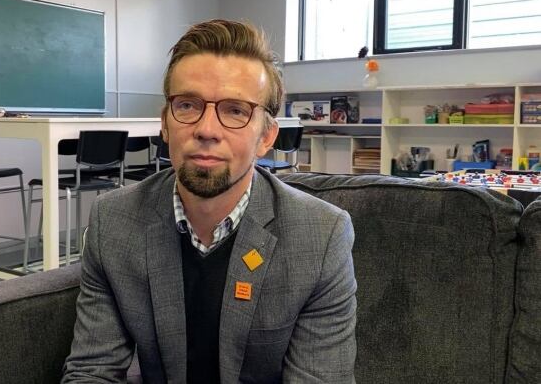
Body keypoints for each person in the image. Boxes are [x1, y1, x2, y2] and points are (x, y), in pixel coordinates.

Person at [62, 19, 357, 383]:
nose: (206, 129)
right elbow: (92, 371)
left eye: (236, 110)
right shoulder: (114, 221)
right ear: (166, 124)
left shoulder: (320, 237)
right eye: (188, 105)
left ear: (266, 137)